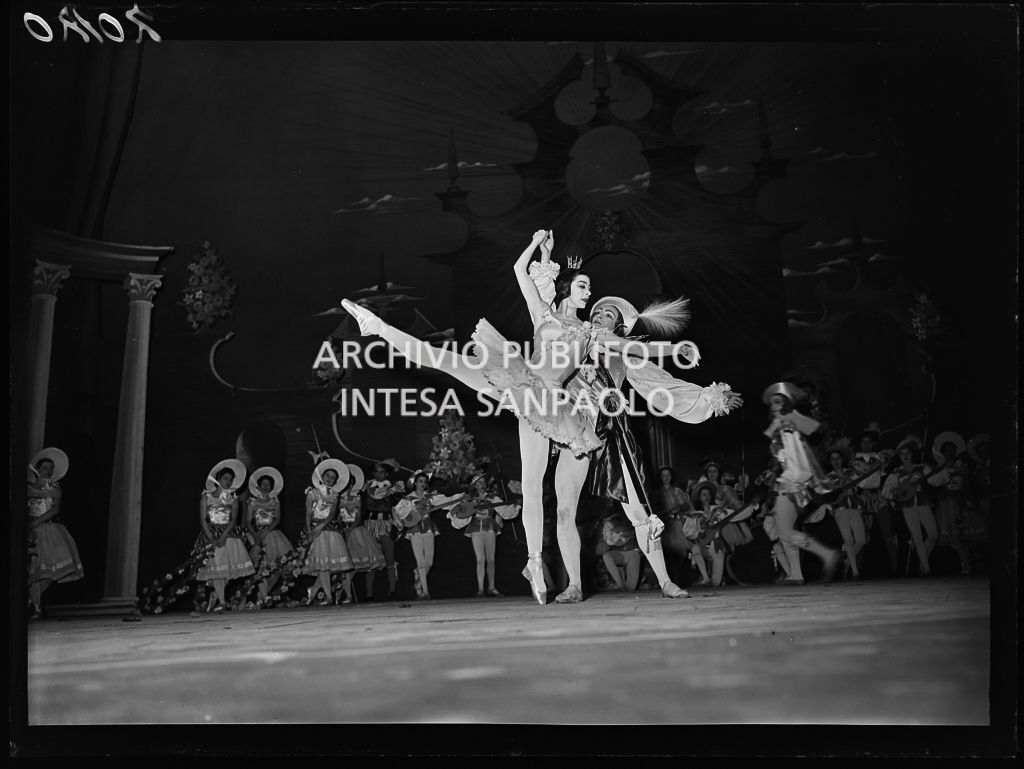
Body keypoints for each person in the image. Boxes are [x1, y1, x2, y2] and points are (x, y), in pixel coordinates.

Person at [341, 229, 741, 605]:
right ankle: (377, 327)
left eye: (593, 292)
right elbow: (520, 272)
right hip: (521, 380)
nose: (590, 294)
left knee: (537, 486)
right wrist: (538, 248)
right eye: (584, 287)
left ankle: (536, 563)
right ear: (569, 289)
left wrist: (678, 351)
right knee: (443, 361)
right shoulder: (544, 315)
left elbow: (636, 351)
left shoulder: (590, 334)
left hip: (555, 407)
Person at [548, 295, 742, 602]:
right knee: (563, 510)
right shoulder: (572, 339)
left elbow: (661, 385)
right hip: (574, 429)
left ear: (619, 327)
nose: (599, 315)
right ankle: (573, 585)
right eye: (597, 311)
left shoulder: (621, 351)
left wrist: (709, 398)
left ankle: (665, 581)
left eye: (609, 314)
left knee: (639, 514)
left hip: (611, 430)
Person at [761, 382, 841, 585]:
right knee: (784, 530)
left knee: (785, 530)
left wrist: (792, 416)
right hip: (789, 480)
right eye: (771, 402)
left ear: (786, 403)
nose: (773, 405)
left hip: (793, 480)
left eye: (777, 401)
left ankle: (825, 556)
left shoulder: (788, 423)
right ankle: (797, 573)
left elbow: (807, 435)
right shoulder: (779, 424)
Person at [26, 448, 84, 619]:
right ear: (37, 469)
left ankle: (32, 603)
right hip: (31, 533)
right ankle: (34, 606)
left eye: (51, 468)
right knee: (34, 572)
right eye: (45, 468)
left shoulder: (56, 489)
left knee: (48, 572)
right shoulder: (29, 488)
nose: (49, 471)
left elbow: (55, 509)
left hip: (49, 530)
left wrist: (37, 521)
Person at [196, 459, 255, 612]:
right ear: (218, 479)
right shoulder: (206, 497)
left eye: (230, 479)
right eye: (225, 479)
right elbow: (203, 520)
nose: (228, 482)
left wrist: (223, 536)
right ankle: (222, 601)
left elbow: (234, 520)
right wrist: (211, 537)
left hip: (229, 535)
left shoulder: (233, 499)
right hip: (211, 533)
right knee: (217, 568)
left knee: (228, 569)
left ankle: (216, 595)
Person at [450, 472, 519, 596]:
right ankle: (481, 588)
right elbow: (457, 511)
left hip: (490, 527)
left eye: (483, 482)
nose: (482, 485)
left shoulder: (493, 497)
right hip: (476, 528)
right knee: (480, 559)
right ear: (474, 485)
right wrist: (462, 507)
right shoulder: (470, 498)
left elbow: (505, 512)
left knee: (491, 559)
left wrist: (517, 505)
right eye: (479, 483)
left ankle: (492, 587)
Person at [303, 458, 353, 604]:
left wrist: (321, 526)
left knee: (329, 566)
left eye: (333, 478)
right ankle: (329, 596)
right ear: (322, 477)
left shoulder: (335, 495)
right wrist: (309, 530)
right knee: (323, 565)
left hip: (329, 530)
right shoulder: (312, 492)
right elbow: (307, 512)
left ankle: (314, 590)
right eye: (327, 476)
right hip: (315, 528)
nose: (329, 479)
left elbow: (332, 514)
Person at [336, 462, 386, 603]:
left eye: (350, 482)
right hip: (343, 531)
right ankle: (344, 594)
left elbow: (359, 516)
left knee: (356, 564)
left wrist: (351, 528)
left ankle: (353, 594)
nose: (348, 485)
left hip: (356, 531)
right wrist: (342, 527)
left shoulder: (357, 496)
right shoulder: (338, 497)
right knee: (345, 566)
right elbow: (337, 515)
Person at [393, 472, 446, 600]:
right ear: (415, 483)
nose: (423, 484)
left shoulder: (430, 496)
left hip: (428, 527)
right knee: (421, 562)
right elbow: (396, 510)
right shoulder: (408, 499)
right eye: (420, 481)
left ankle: (418, 576)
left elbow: (447, 501)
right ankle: (424, 592)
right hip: (415, 529)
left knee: (430, 562)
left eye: (424, 482)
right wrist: (400, 522)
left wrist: (461, 497)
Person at [854, 423, 899, 575]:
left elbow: (892, 460)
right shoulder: (853, 460)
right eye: (863, 442)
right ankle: (857, 569)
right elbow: (862, 470)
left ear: (873, 443)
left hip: (877, 496)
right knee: (862, 535)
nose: (866, 444)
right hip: (861, 498)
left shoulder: (881, 456)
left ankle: (895, 566)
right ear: (860, 444)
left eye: (869, 442)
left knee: (887, 531)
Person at [245, 467, 293, 606]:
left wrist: (267, 531)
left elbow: (277, 519)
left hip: (273, 535)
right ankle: (262, 596)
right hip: (256, 535)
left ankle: (263, 595)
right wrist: (256, 536)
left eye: (268, 485)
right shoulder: (252, 502)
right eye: (263, 484)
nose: (266, 487)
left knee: (276, 566)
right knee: (260, 567)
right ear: (259, 486)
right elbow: (248, 521)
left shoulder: (275, 501)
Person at [652, 466, 702, 587]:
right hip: (663, 526)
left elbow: (687, 506)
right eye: (663, 475)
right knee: (666, 555)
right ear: (660, 477)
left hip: (676, 525)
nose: (666, 478)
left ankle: (681, 580)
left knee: (681, 553)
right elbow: (653, 510)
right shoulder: (656, 493)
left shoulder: (677, 491)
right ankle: (668, 581)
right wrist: (665, 514)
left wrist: (677, 510)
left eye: (668, 475)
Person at [823, 444, 867, 579]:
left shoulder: (851, 472)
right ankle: (855, 572)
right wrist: (830, 508)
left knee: (861, 540)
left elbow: (864, 482)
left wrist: (861, 468)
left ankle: (847, 560)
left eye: (838, 458)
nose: (836, 461)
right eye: (833, 458)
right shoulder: (828, 477)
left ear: (842, 460)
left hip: (854, 507)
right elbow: (826, 496)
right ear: (830, 462)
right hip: (840, 510)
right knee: (848, 541)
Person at [363, 459, 405, 599]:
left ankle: (392, 590)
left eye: (382, 472)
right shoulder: (368, 486)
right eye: (376, 472)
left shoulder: (395, 486)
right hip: (371, 524)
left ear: (387, 473)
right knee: (372, 559)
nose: (379, 475)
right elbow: (374, 495)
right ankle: (369, 594)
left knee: (389, 558)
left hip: (386, 524)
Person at [687, 480, 727, 586]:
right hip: (703, 546)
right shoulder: (695, 514)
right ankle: (705, 577)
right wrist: (697, 533)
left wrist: (749, 508)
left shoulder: (718, 510)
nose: (707, 497)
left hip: (716, 546)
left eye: (709, 494)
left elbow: (733, 515)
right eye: (703, 494)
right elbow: (687, 531)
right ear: (699, 497)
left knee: (716, 583)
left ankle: (714, 581)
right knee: (695, 548)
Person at [595, 511, 643, 591]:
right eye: (606, 527)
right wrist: (605, 541)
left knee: (631, 588)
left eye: (610, 528)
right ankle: (620, 584)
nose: (607, 531)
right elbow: (598, 551)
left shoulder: (627, 529)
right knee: (606, 556)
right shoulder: (601, 533)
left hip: (632, 556)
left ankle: (626, 587)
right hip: (618, 556)